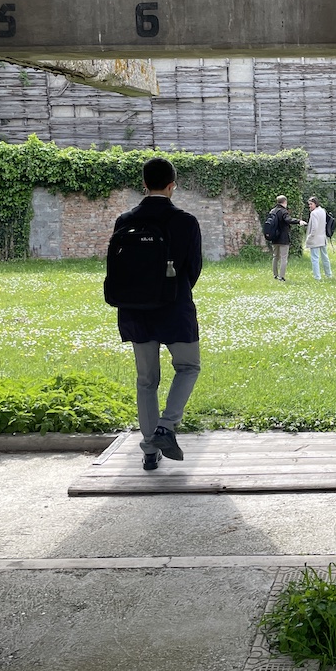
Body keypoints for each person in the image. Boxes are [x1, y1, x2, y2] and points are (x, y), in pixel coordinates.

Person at [112, 157, 203, 471]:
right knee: (189, 366)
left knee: (147, 380)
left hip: (135, 311)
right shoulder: (186, 221)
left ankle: (150, 450)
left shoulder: (124, 220)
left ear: (144, 185)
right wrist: (173, 292)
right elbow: (193, 270)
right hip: (175, 309)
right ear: (172, 185)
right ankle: (166, 426)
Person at [268, 195, 306, 281]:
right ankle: (281, 277)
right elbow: (288, 220)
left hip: (274, 237)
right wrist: (298, 221)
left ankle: (275, 275)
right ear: (285, 202)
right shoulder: (283, 211)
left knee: (275, 256)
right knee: (284, 257)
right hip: (283, 237)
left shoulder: (272, 211)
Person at [304, 196, 333, 280]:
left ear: (315, 204)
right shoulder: (322, 211)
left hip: (315, 238)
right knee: (325, 257)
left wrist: (310, 237)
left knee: (315, 259)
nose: (309, 206)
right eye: (309, 204)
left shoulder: (314, 213)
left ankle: (317, 277)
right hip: (322, 237)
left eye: (311, 204)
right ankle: (329, 274)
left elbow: (314, 227)